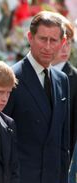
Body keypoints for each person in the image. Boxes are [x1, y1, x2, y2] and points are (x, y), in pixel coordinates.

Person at [3, 11, 70, 183]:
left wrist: (62, 182)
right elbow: (1, 139)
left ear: (62, 43)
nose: (48, 46)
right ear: (30, 38)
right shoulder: (12, 77)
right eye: (43, 39)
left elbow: (63, 137)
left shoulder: (62, 81)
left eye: (54, 41)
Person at [52, 16, 77, 158]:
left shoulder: (74, 78)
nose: (65, 48)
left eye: (69, 43)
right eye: (61, 43)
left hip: (62, 157)